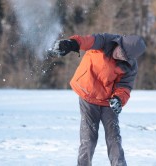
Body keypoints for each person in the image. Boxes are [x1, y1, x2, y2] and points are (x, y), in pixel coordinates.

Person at [49, 33, 146, 166]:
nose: (120, 56)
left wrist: (118, 99)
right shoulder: (105, 41)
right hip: (87, 95)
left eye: (125, 56)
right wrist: (72, 44)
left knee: (114, 138)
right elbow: (87, 40)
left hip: (108, 101)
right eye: (121, 51)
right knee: (89, 139)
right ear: (119, 43)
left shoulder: (129, 66)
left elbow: (124, 87)